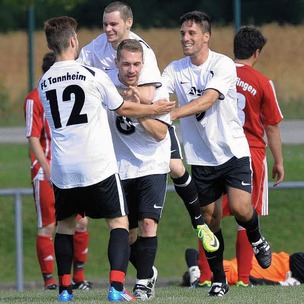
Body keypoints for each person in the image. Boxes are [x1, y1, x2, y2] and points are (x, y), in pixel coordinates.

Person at [38, 16, 174, 302]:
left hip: (63, 168)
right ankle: (115, 288)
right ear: (73, 41)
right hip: (97, 165)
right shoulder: (92, 75)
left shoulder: (44, 81)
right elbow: (123, 108)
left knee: (64, 227)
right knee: (119, 224)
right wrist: (154, 107)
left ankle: (64, 291)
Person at [77, 1, 219, 253]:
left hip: (150, 118)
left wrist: (114, 94)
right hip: (121, 129)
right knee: (126, 229)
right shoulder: (95, 48)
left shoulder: (143, 50)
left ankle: (199, 222)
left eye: (113, 24)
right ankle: (145, 271)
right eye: (105, 24)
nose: (108, 29)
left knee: (175, 166)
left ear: (128, 23)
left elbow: (148, 92)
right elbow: (79, 74)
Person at [161, 10, 272, 297]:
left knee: (240, 208)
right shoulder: (175, 69)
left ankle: (258, 239)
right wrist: (140, 98)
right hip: (200, 158)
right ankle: (219, 279)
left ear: (206, 37)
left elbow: (207, 100)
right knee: (209, 222)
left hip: (233, 151)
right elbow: (157, 93)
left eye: (192, 33)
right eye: (183, 33)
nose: (186, 38)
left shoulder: (222, 64)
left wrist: (172, 113)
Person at [215, 25, 285, 287]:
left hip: (219, 151)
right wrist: (278, 161)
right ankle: (244, 278)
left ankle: (206, 275)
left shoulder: (217, 75)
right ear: (257, 52)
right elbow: (272, 125)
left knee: (211, 216)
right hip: (251, 153)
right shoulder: (262, 82)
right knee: (247, 216)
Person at [105, 39, 172, 301]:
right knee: (127, 233)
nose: (131, 70)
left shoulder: (157, 90)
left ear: (143, 64)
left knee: (147, 223)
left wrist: (140, 111)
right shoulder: (106, 85)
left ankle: (143, 283)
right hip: (119, 167)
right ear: (116, 63)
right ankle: (147, 270)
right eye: (126, 64)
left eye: (136, 64)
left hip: (152, 164)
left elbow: (160, 134)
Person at [24, 52, 93, 291]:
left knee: (81, 222)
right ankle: (50, 281)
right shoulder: (35, 97)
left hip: (71, 168)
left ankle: (79, 278)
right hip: (47, 172)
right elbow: (33, 136)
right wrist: (46, 167)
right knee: (49, 226)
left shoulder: (70, 93)